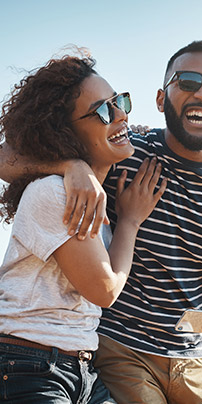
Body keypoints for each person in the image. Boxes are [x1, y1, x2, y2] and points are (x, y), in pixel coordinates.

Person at [0, 40, 202, 404]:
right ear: (161, 98)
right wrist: (71, 166)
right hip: (113, 349)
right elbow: (9, 155)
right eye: (187, 81)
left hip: (193, 356)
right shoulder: (121, 150)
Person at [0, 50, 166, 404]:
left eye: (120, 101)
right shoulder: (54, 192)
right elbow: (104, 290)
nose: (120, 114)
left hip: (79, 370)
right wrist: (131, 222)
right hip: (29, 366)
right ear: (65, 132)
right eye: (104, 111)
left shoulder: (90, 190)